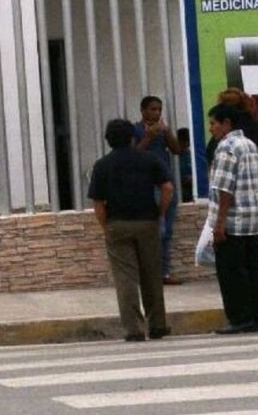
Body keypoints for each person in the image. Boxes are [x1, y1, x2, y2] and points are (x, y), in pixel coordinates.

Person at [89, 118, 175, 342]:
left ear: (108, 140)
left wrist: (106, 226)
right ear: (132, 137)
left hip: (117, 223)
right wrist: (161, 212)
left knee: (125, 278)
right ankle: (157, 325)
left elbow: (98, 203)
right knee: (152, 275)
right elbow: (167, 187)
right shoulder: (148, 159)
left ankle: (134, 329)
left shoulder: (102, 165)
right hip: (147, 221)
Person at [206, 103, 258, 334]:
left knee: (232, 273)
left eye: (213, 123)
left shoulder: (226, 148)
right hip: (252, 220)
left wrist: (219, 224)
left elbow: (224, 189)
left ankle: (240, 318)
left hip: (232, 222)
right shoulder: (251, 145)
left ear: (226, 124)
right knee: (253, 270)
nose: (211, 129)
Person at [133, 95, 184, 286]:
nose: (156, 113)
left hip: (166, 185)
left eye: (159, 110)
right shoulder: (136, 129)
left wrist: (167, 132)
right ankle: (148, 274)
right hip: (147, 186)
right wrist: (148, 136)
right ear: (143, 111)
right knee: (153, 232)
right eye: (153, 109)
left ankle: (164, 273)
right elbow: (133, 154)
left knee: (167, 231)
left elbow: (177, 150)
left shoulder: (163, 130)